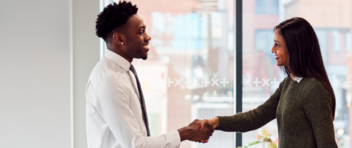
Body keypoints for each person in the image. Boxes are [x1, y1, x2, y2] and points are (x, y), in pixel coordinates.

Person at [86, 1, 213, 148]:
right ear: (119, 39)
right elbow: (136, 145)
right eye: (140, 32)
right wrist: (186, 133)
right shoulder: (110, 80)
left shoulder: (123, 72)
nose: (148, 37)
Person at [200, 17, 339, 148]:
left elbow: (327, 145)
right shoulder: (288, 83)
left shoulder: (314, 89)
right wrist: (217, 122)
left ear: (294, 48)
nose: (273, 50)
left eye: (277, 45)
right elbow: (257, 116)